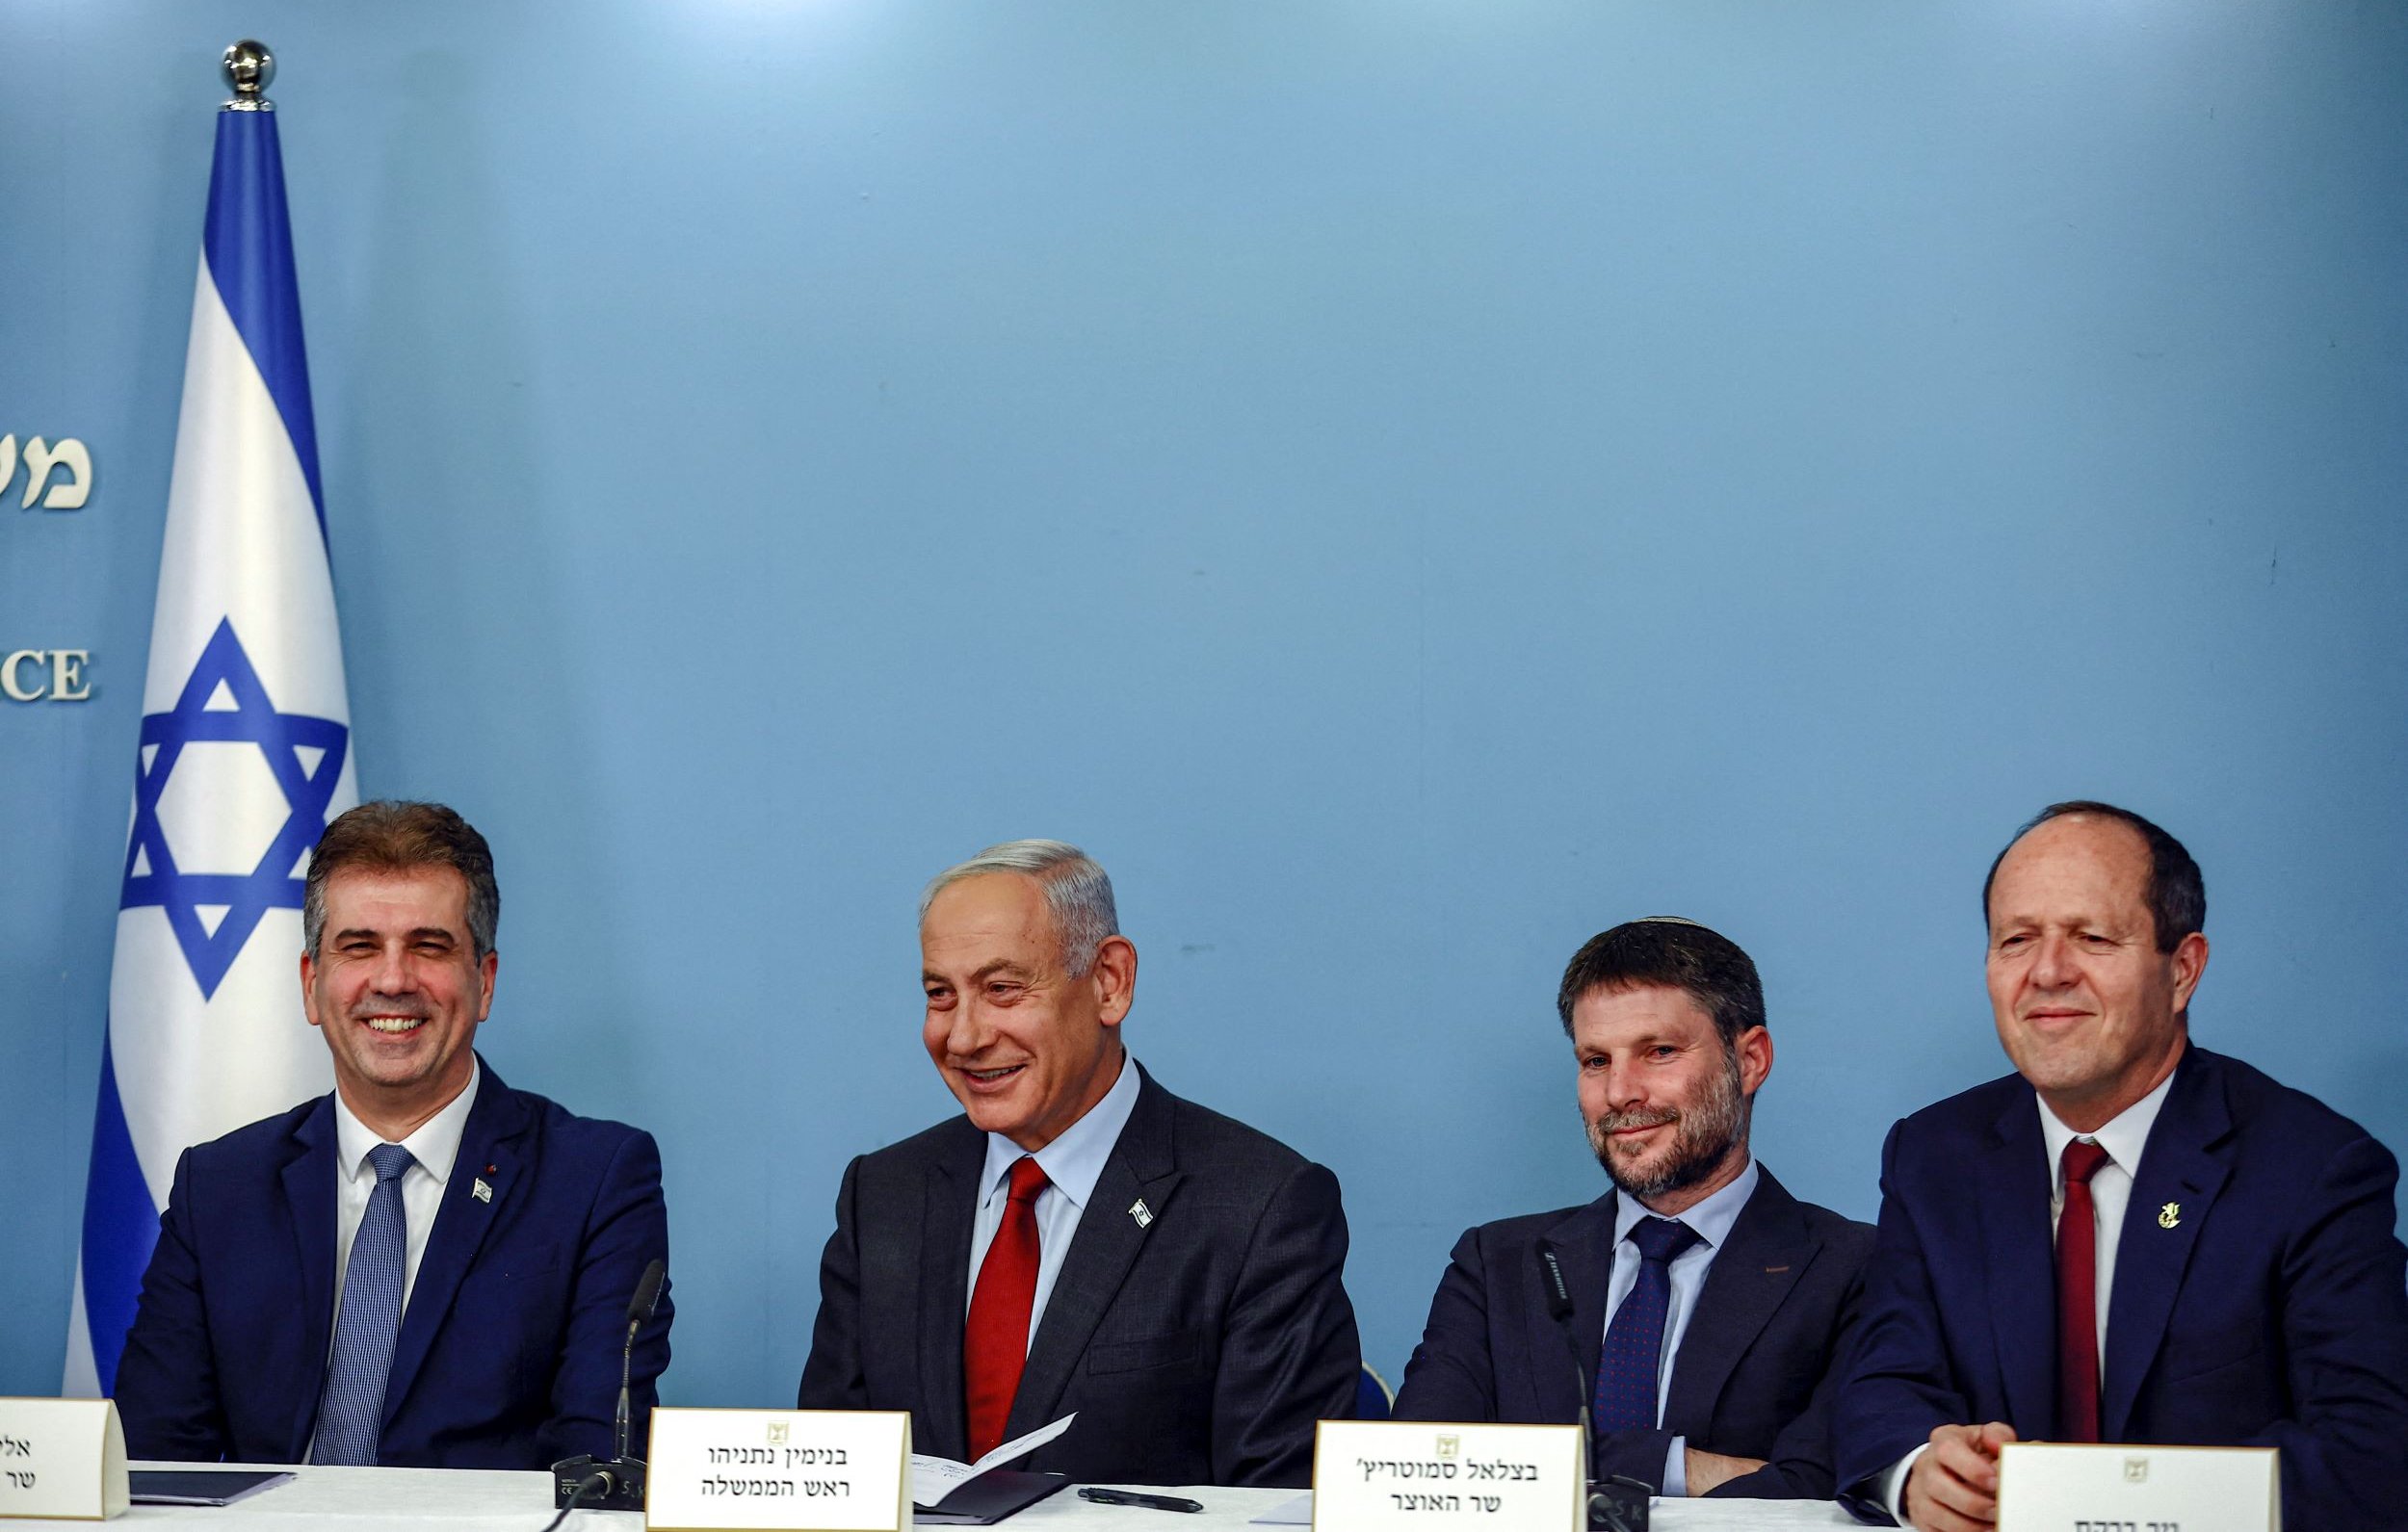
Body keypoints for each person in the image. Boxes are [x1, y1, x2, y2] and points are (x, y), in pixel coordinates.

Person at [1834, 802, 2408, 1532]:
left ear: (2183, 969)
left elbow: (2370, 1447)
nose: (2046, 972)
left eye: (2091, 937)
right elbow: (1881, 1385)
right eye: (2016, 939)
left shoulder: (2315, 1168)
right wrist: (1918, 1470)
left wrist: (2094, 1502)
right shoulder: (1932, 1153)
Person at [115, 801, 672, 1469]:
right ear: (312, 984)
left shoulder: (595, 1178)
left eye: (428, 946)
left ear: (485, 981)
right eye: (359, 946)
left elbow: (594, 1465)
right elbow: (156, 1457)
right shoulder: (220, 1186)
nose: (392, 979)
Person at [798, 840, 1359, 1487]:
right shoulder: (884, 1195)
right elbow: (829, 1480)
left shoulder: (1259, 1206)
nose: (964, 1036)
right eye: (940, 994)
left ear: (1109, 982)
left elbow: (1274, 1507)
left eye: (1002, 988)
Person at [1393, 918, 1873, 1498]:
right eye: (1596, 1060)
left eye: (1660, 1051)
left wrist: (1573, 1464)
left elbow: (1840, 1486)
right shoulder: (1497, 1264)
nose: (1620, 1093)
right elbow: (1417, 1474)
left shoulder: (1855, 1267)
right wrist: (1704, 1468)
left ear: (1749, 1061)